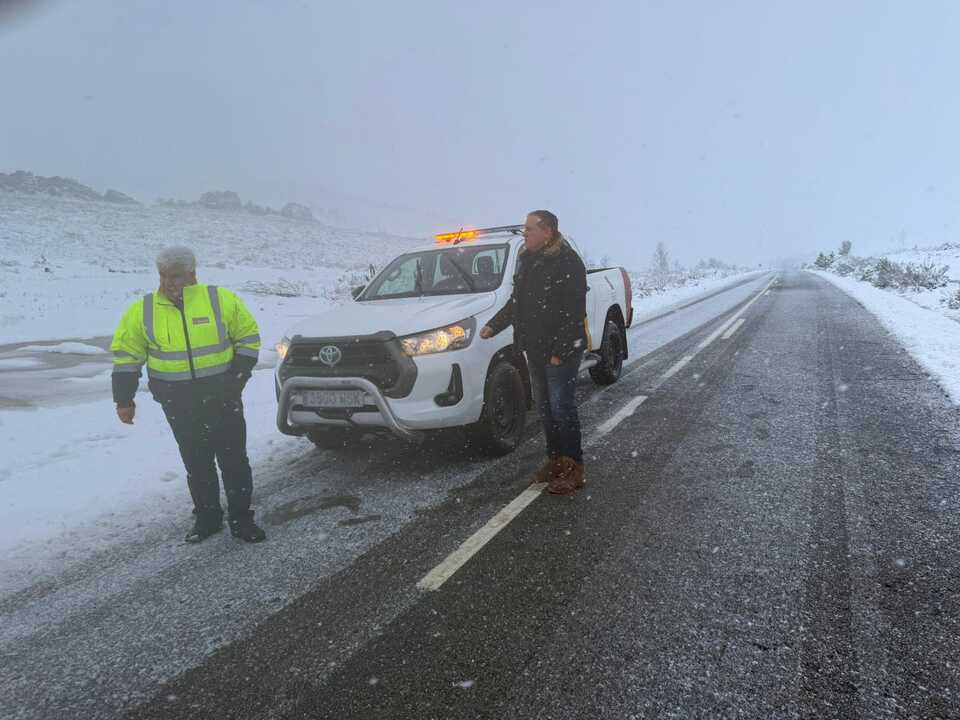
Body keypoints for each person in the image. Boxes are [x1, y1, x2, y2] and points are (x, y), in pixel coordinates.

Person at [110, 246, 267, 543]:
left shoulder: (220, 300)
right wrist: (124, 400)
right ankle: (207, 518)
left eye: (177, 276)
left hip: (224, 398)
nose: (169, 282)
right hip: (178, 403)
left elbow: (248, 338)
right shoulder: (143, 310)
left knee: (234, 461)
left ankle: (242, 520)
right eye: (164, 276)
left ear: (192, 274)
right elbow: (127, 357)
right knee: (196, 462)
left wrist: (236, 379)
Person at [480, 210, 588, 495]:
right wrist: (494, 324)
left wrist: (560, 351)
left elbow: (575, 312)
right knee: (544, 408)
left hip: (560, 350)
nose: (525, 233)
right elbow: (518, 303)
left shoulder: (568, 262)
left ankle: (574, 468)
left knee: (562, 407)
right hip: (536, 349)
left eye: (529, 228)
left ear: (547, 231)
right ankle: (555, 461)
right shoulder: (528, 260)